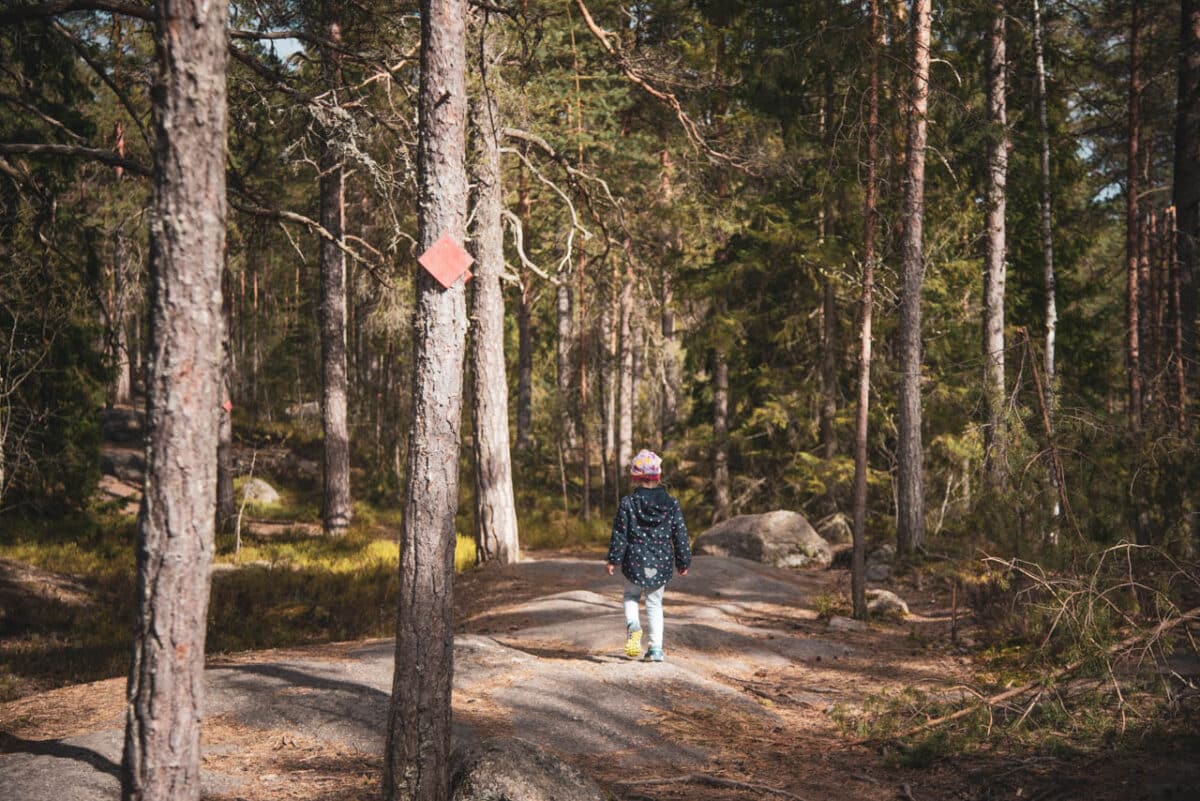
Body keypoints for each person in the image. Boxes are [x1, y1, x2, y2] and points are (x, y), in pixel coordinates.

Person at [605, 449, 691, 662]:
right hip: (660, 560)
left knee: (631, 596)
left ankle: (633, 625)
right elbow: (680, 534)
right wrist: (683, 561)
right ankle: (656, 649)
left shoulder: (628, 503)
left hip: (634, 559)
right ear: (658, 476)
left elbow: (620, 533)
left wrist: (614, 559)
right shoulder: (671, 503)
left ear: (635, 477)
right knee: (654, 603)